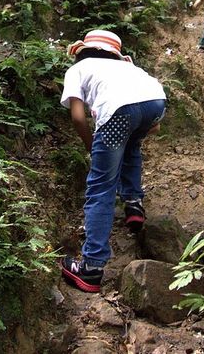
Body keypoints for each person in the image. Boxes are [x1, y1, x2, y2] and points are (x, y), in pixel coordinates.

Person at [58, 29, 167, 293]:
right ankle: (133, 204)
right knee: (132, 144)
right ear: (115, 54)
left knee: (101, 187)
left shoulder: (80, 68)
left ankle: (91, 268)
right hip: (156, 103)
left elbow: (78, 117)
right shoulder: (132, 69)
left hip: (119, 112)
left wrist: (92, 148)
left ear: (84, 51)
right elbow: (155, 128)